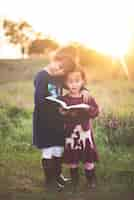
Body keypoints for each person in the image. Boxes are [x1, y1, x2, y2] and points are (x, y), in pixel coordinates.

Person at [33, 53, 90, 190]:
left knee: (58, 149)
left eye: (63, 72)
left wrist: (84, 90)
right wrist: (54, 105)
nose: (59, 72)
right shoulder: (42, 76)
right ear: (54, 60)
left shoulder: (58, 77)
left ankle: (58, 176)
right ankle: (50, 181)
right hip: (44, 121)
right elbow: (39, 100)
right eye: (59, 67)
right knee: (48, 150)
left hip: (57, 120)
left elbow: (71, 84)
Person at [59, 67, 99, 190]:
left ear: (82, 82)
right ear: (66, 83)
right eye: (70, 81)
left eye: (77, 81)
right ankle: (75, 181)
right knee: (73, 160)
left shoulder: (87, 97)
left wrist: (88, 109)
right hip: (71, 135)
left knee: (88, 159)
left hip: (84, 134)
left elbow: (95, 111)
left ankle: (91, 180)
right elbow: (60, 117)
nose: (74, 84)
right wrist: (62, 113)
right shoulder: (64, 99)